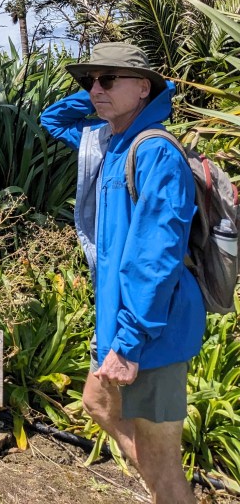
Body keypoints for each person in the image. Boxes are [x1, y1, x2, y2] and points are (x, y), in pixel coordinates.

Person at [40, 42, 205, 504]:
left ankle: (170, 493)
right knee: (96, 403)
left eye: (109, 79)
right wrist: (102, 93)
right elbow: (53, 119)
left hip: (152, 329)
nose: (96, 89)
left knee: (162, 465)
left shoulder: (155, 153)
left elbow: (155, 258)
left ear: (143, 88)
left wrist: (129, 344)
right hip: (120, 320)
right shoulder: (108, 143)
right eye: (89, 80)